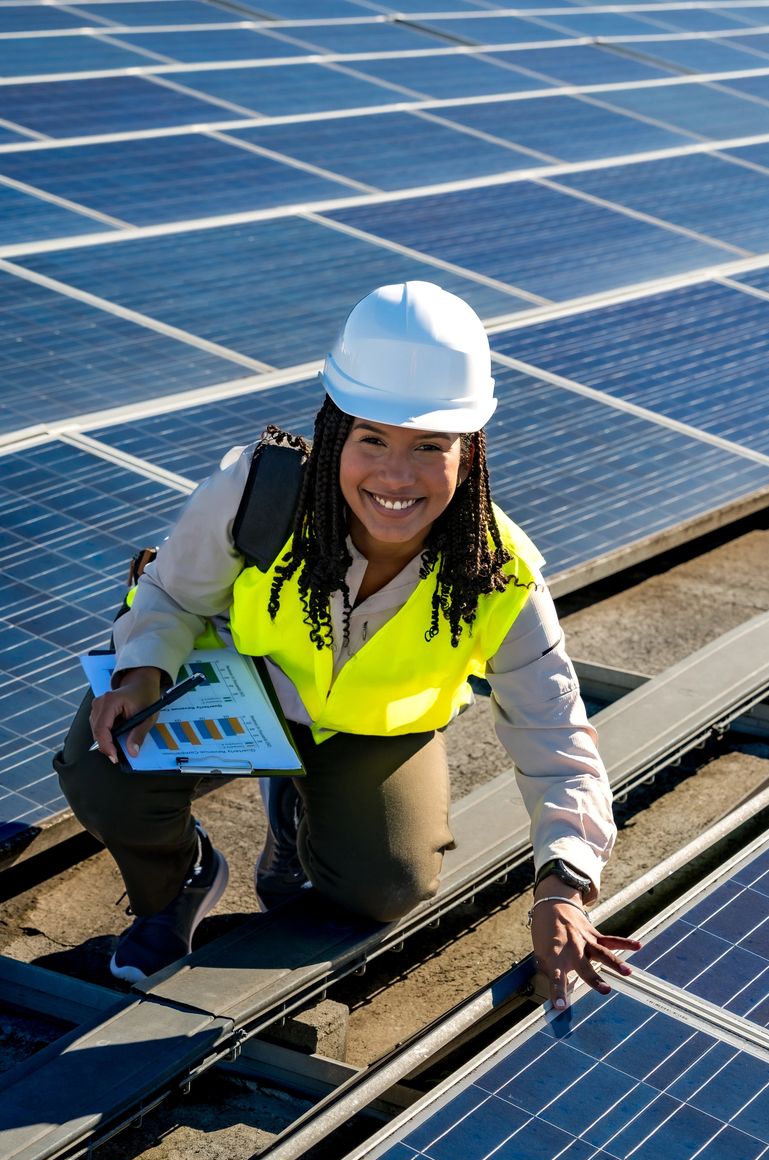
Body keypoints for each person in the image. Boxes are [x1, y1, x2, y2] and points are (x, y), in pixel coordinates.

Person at [54, 280, 640, 1008]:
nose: (397, 475)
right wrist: (143, 670)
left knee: (387, 888)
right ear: (335, 431)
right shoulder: (259, 493)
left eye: (430, 445)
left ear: (470, 451)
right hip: (253, 692)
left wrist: (565, 886)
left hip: (374, 734)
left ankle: (302, 814)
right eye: (372, 439)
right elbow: (173, 592)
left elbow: (557, 738)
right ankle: (179, 885)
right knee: (101, 763)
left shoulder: (499, 574)